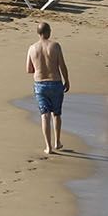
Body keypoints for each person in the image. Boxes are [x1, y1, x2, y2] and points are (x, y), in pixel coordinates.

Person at [26, 20, 69, 156]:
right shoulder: (55, 46)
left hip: (40, 84)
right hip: (55, 82)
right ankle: (57, 141)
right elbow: (62, 65)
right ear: (48, 32)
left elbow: (29, 69)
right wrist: (67, 80)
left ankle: (48, 147)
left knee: (44, 115)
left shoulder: (32, 48)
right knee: (56, 114)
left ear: (38, 33)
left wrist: (39, 67)